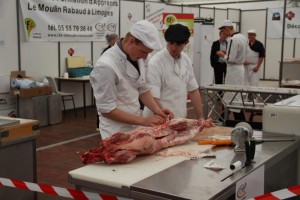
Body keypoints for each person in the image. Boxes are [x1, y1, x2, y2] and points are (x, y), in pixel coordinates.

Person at [90, 20, 174, 139]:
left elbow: (142, 88)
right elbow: (106, 110)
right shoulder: (106, 66)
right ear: (131, 41)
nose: (145, 57)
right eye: (143, 51)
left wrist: (157, 109)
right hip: (115, 131)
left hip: (136, 124)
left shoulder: (139, 57)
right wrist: (143, 121)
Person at [143, 23, 204, 120]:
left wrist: (200, 117)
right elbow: (153, 97)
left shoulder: (186, 60)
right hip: (158, 119)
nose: (174, 48)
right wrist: (165, 116)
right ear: (166, 41)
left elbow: (193, 90)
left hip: (179, 119)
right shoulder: (156, 62)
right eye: (171, 43)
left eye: (178, 44)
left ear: (186, 42)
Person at [216, 20, 247, 121]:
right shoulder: (242, 37)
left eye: (223, 30)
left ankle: (239, 121)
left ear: (227, 28)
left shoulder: (233, 39)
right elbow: (237, 54)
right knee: (232, 96)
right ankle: (222, 118)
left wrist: (223, 55)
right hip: (239, 69)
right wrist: (227, 53)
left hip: (233, 70)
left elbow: (231, 59)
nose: (223, 33)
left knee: (232, 97)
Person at [243, 29, 265, 100]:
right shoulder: (246, 43)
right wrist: (243, 61)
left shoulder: (259, 44)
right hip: (245, 66)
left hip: (254, 66)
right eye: (249, 35)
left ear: (255, 35)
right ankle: (248, 98)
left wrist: (258, 66)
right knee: (246, 83)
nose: (250, 36)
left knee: (254, 83)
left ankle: (254, 99)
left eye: (251, 35)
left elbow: (262, 56)